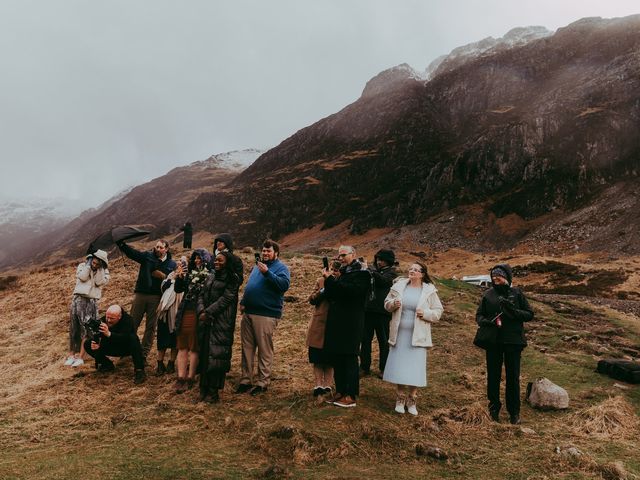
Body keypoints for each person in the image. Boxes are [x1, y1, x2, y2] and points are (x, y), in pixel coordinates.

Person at [476, 264, 533, 425]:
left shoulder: (517, 293)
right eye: (493, 276)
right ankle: (494, 410)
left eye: (499, 276)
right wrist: (487, 322)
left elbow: (529, 314)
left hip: (513, 342)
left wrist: (513, 310)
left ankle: (514, 413)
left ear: (507, 277)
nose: (496, 279)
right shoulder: (488, 294)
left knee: (512, 378)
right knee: (493, 376)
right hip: (493, 342)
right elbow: (479, 315)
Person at [383, 262, 443, 416]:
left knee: (415, 368)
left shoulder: (429, 291)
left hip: (419, 336)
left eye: (416, 270)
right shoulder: (399, 286)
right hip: (400, 333)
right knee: (400, 366)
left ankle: (412, 399)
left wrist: (425, 313)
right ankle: (400, 398)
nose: (412, 271)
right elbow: (386, 304)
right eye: (411, 269)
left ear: (422, 274)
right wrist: (393, 304)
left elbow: (438, 312)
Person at [237, 239, 290, 396]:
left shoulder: (282, 268)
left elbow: (283, 285)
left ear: (276, 253)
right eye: (264, 250)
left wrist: (267, 273)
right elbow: (250, 286)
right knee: (247, 348)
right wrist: (243, 301)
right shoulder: (257, 267)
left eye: (269, 251)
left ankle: (262, 382)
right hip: (249, 312)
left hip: (266, 314)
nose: (265, 253)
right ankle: (246, 380)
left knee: (264, 349)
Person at [322, 246, 371, 408]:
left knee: (349, 357)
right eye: (339, 255)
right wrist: (329, 281)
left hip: (351, 322)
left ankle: (351, 395)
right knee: (337, 355)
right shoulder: (343, 273)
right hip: (337, 321)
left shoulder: (362, 273)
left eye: (344, 255)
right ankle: (340, 391)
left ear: (353, 255)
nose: (341, 258)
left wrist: (331, 280)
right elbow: (331, 295)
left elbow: (352, 292)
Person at [117, 239, 176, 360]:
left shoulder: (171, 264)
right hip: (141, 294)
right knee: (132, 323)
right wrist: (122, 245)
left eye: (161, 247)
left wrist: (163, 276)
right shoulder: (147, 256)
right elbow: (133, 253)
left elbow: (172, 281)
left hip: (156, 297)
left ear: (166, 249)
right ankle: (126, 350)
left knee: (151, 327)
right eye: (157, 247)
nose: (158, 249)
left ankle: (143, 354)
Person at [196, 251, 242, 403]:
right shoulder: (211, 276)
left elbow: (226, 299)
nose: (216, 262)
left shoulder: (232, 279)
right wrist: (201, 310)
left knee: (217, 355)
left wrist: (208, 313)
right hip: (206, 320)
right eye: (215, 260)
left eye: (220, 260)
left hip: (221, 322)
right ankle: (203, 389)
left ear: (227, 262)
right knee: (204, 354)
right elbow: (201, 294)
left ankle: (213, 392)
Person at [173, 249, 212, 393]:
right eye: (195, 258)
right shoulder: (189, 274)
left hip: (199, 313)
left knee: (194, 345)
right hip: (185, 311)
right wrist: (180, 277)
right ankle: (181, 378)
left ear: (206, 259)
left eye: (199, 258)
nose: (197, 261)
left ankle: (191, 377)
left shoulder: (210, 275)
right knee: (182, 344)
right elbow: (178, 290)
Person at [65, 250, 110, 368]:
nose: (94, 265)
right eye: (93, 262)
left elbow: (99, 282)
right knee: (74, 328)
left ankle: (81, 356)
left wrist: (100, 270)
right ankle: (71, 354)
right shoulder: (83, 266)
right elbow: (83, 277)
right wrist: (88, 266)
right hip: (78, 300)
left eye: (97, 264)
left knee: (87, 328)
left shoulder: (104, 271)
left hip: (90, 302)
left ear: (102, 264)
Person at [84, 305, 147, 384]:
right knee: (87, 343)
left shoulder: (128, 320)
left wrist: (109, 334)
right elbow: (97, 335)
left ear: (119, 316)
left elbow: (125, 338)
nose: (109, 320)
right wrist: (96, 343)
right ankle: (106, 364)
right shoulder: (103, 320)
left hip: (125, 348)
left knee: (133, 338)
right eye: (107, 317)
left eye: (112, 318)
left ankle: (139, 370)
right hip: (111, 347)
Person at [360, 249, 398, 377]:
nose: (379, 262)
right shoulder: (373, 271)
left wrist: (369, 271)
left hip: (383, 312)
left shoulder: (392, 273)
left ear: (388, 261)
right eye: (378, 259)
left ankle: (384, 368)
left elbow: (382, 281)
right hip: (368, 310)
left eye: (382, 260)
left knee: (384, 341)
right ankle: (364, 367)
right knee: (365, 340)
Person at [306, 260, 341, 397]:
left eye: (336, 270)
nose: (333, 272)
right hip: (319, 323)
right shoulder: (321, 281)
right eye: (332, 269)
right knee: (317, 357)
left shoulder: (342, 283)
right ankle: (318, 385)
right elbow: (311, 299)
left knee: (330, 359)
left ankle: (327, 385)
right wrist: (323, 290)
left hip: (335, 324)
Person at [154, 263, 185, 376]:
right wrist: (172, 278)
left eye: (182, 266)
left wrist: (180, 278)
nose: (179, 268)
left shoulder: (186, 279)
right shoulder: (169, 277)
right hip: (165, 312)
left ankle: (171, 363)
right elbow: (163, 288)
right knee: (162, 338)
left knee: (175, 339)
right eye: (178, 266)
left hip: (178, 312)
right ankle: (160, 362)